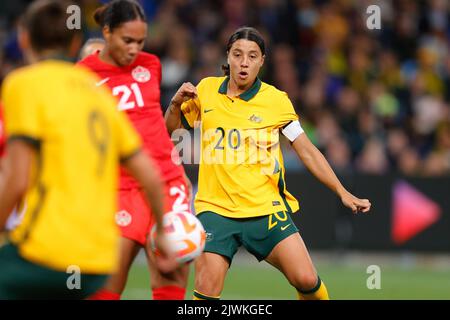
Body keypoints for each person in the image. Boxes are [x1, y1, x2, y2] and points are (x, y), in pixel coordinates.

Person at [165, 27, 372, 300]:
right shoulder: (205, 90)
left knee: (307, 279)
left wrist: (342, 191)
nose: (244, 62)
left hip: (264, 209)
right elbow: (170, 131)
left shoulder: (276, 101)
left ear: (262, 60)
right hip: (215, 210)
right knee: (206, 289)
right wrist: (173, 104)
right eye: (237, 54)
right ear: (228, 56)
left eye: (252, 56)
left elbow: (307, 151)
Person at [0, 0, 176, 300]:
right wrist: (164, 232)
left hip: (47, 249)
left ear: (23, 38)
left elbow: (16, 181)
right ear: (75, 44)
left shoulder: (22, 84)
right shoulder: (99, 95)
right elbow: (149, 171)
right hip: (98, 258)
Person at [78, 0, 191, 300]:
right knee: (107, 284)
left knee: (170, 274)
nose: (134, 49)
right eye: (127, 40)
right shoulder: (83, 75)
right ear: (107, 32)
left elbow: (153, 125)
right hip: (120, 187)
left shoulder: (151, 64)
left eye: (140, 41)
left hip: (167, 181)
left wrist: (179, 175)